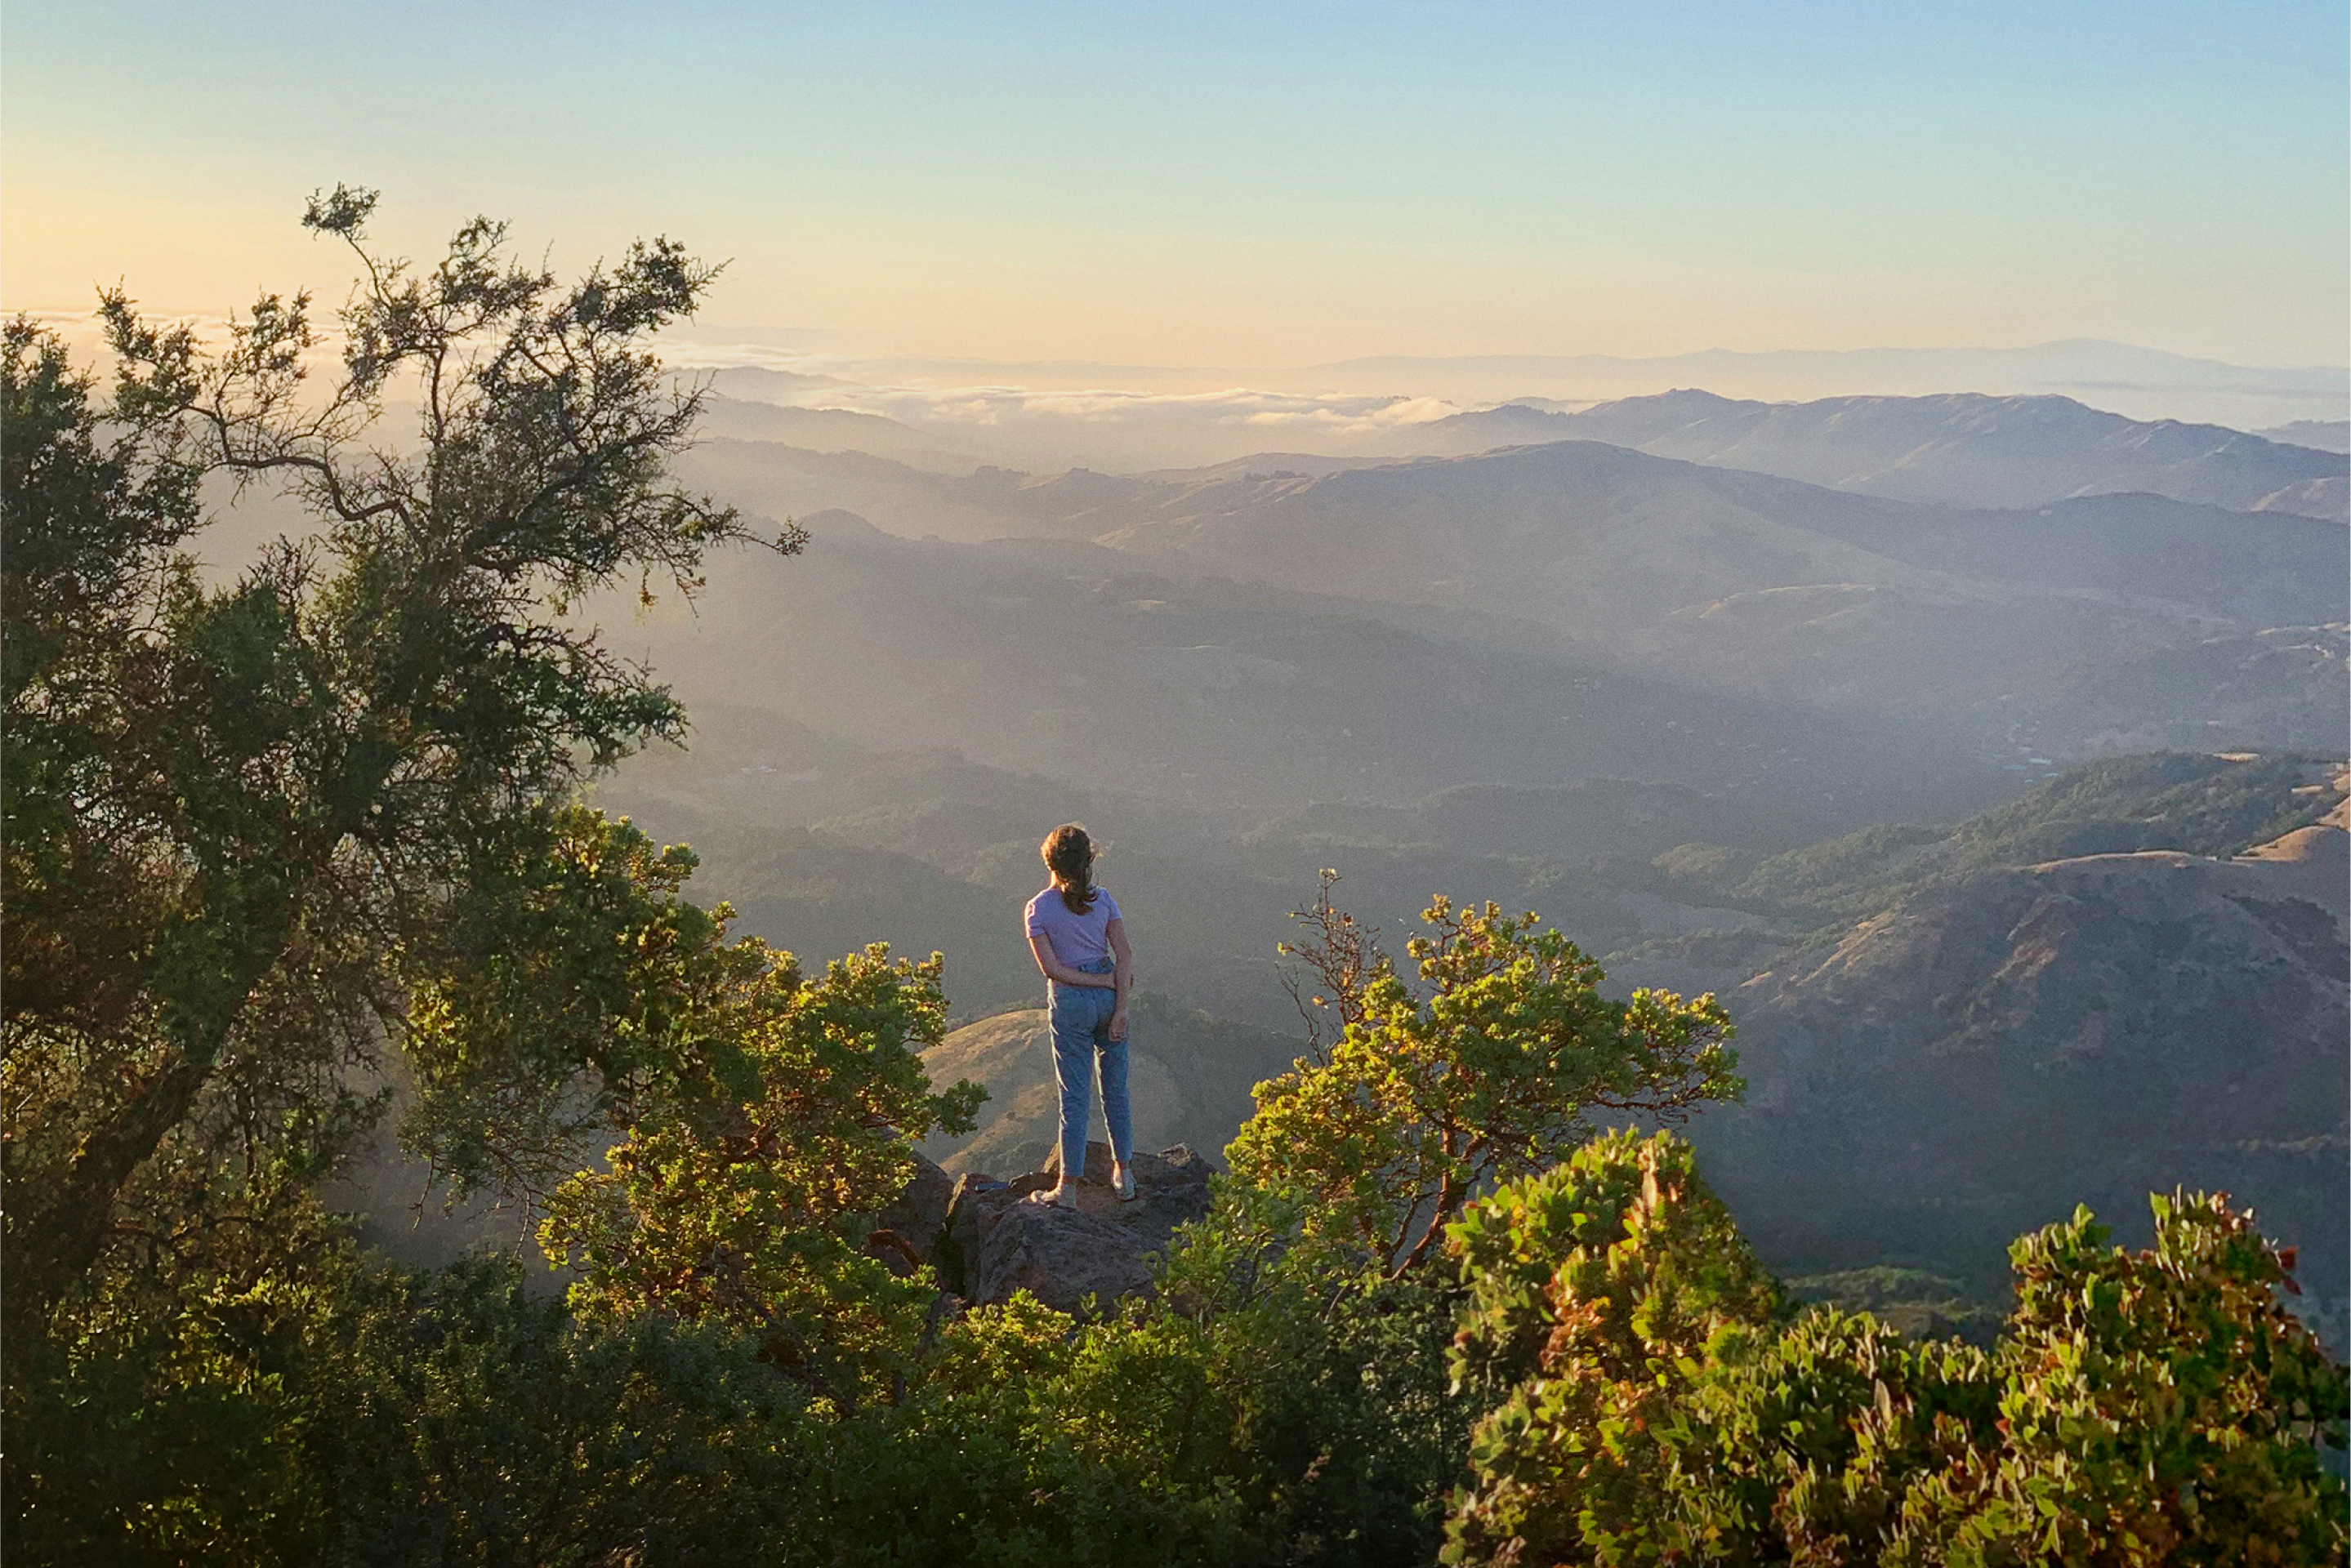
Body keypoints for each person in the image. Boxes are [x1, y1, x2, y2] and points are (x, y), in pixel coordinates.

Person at [1023, 823, 1135, 1205]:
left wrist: (1093, 984)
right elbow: (1125, 956)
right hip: (1109, 1000)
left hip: (1072, 1003)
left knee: (1074, 1096)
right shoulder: (1104, 900)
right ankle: (1124, 1174)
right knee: (1116, 1090)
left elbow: (1052, 969)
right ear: (1088, 860)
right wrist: (1119, 1004)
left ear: (1050, 862)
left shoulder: (1038, 908)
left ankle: (1066, 1189)